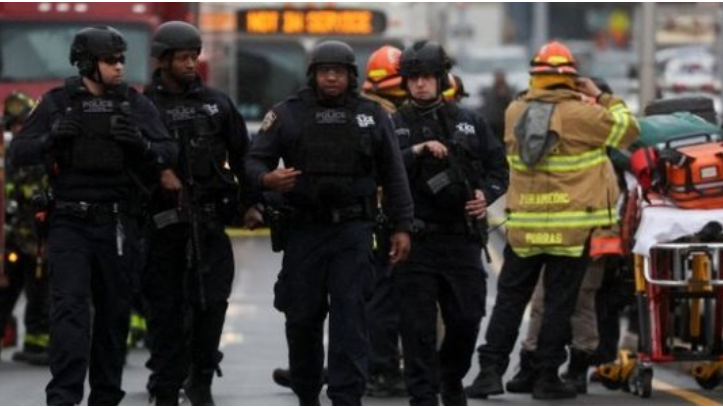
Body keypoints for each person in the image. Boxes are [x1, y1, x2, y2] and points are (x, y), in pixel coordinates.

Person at [9, 26, 177, 406]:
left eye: (121, 60)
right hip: (69, 222)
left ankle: (105, 397)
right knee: (69, 310)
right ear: (87, 63)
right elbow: (18, 152)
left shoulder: (134, 105)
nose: (119, 67)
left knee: (114, 315)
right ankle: (64, 398)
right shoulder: (57, 103)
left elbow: (169, 153)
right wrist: (51, 137)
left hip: (118, 222)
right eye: (110, 61)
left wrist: (141, 144)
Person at [465, 41, 638, 401]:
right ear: (571, 78)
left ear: (536, 76)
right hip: (570, 231)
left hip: (525, 229)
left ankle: (490, 372)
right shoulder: (582, 115)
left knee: (510, 302)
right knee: (560, 304)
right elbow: (628, 131)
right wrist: (601, 97)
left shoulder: (515, 110)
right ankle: (546, 377)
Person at [246, 40, 413, 406]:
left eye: (339, 71)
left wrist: (402, 226)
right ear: (313, 75)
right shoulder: (287, 114)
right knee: (302, 317)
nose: (332, 77)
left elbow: (394, 174)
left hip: (353, 232)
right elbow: (254, 162)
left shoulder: (371, 115)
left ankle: (346, 397)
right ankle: (307, 391)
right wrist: (267, 181)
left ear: (352, 76)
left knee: (350, 318)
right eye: (325, 71)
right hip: (304, 232)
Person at [141, 21, 260, 406]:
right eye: (182, 58)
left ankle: (202, 380)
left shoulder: (217, 104)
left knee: (212, 306)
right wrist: (159, 171)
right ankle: (165, 386)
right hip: (162, 230)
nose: (191, 63)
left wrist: (253, 203)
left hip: (208, 225)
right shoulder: (144, 108)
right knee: (166, 314)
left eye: (194, 56)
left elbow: (245, 157)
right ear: (162, 61)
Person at [391, 41, 509, 406]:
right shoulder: (393, 124)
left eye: (427, 77)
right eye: (413, 78)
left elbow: (498, 169)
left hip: (460, 239)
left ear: (441, 79)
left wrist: (483, 196)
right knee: (417, 328)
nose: (421, 85)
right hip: (416, 240)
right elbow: (379, 169)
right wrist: (417, 151)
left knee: (467, 318)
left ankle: (451, 377)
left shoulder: (469, 121)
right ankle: (423, 394)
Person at [0, 91, 50, 366]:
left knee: (40, 294)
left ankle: (37, 344)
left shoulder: (43, 152)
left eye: (23, 124)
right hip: (11, 239)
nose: (18, 129)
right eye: (14, 125)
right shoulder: (7, 154)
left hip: (38, 241)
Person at [479, 70, 515, 142]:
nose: (499, 79)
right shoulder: (488, 91)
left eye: (500, 77)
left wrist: (505, 95)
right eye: (497, 77)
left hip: (505, 123)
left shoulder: (510, 90)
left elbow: (512, 104)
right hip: (492, 123)